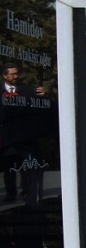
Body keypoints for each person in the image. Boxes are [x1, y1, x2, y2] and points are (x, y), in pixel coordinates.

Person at [0, 63, 48, 207]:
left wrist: (44, 95)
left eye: (16, 74)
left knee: (26, 165)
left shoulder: (26, 89)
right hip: (6, 136)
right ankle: (10, 193)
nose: (15, 76)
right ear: (4, 75)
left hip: (23, 135)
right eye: (12, 74)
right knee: (9, 165)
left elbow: (39, 103)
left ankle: (27, 192)